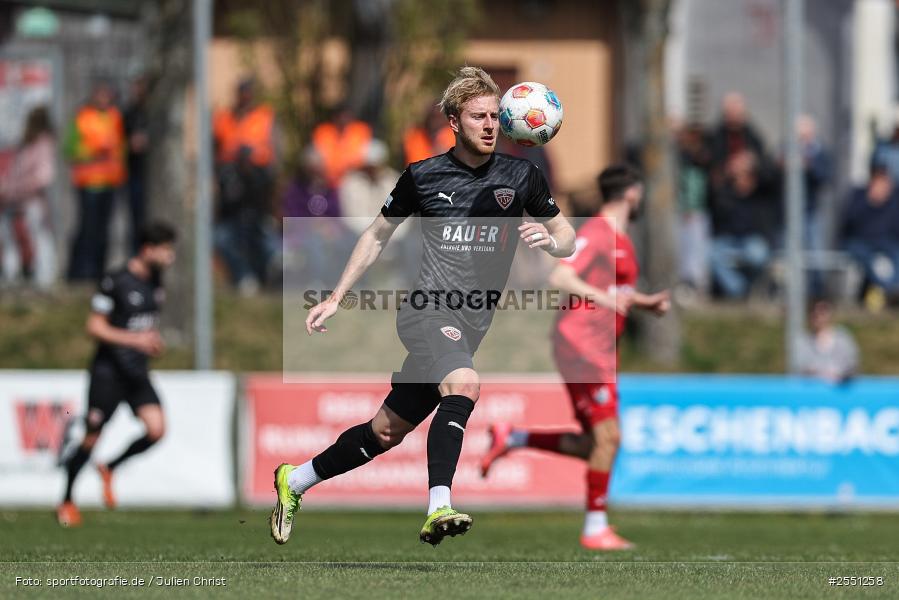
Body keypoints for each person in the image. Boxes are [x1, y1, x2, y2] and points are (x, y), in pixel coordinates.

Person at [270, 66, 576, 547]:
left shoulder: (522, 176)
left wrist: (553, 243)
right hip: (427, 310)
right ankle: (439, 506)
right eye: (479, 116)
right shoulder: (424, 175)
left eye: (496, 115)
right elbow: (376, 235)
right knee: (465, 384)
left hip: (473, 321)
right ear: (454, 122)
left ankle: (297, 478)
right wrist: (335, 297)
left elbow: (567, 235)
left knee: (386, 431)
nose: (491, 125)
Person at [480, 165, 670, 551]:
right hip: (581, 346)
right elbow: (561, 278)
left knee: (594, 444)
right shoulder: (598, 232)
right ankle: (595, 528)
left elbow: (616, 290)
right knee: (610, 437)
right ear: (632, 192)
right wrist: (608, 300)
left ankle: (513, 436)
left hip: (598, 350)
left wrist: (644, 304)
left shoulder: (621, 239)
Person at [56, 222, 177, 527]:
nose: (170, 258)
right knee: (91, 437)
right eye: (166, 251)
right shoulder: (115, 280)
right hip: (108, 373)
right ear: (147, 249)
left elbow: (143, 323)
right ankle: (67, 500)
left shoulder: (156, 280)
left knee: (157, 429)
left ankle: (110, 467)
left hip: (136, 373)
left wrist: (151, 340)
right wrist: (134, 339)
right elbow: (94, 326)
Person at [213, 78, 279, 294]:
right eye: (242, 93)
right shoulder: (224, 118)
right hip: (230, 182)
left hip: (258, 182)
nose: (245, 98)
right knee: (225, 236)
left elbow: (276, 151)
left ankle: (263, 277)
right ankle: (243, 276)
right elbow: (215, 148)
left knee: (260, 235)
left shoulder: (265, 117)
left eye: (249, 93)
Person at [65, 80, 127, 282]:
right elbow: (70, 150)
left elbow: (121, 148)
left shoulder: (115, 117)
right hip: (89, 182)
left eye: (106, 94)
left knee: (103, 232)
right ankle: (79, 272)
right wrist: (94, 152)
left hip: (110, 182)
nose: (103, 98)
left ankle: (99, 273)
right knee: (86, 229)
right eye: (100, 94)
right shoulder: (82, 117)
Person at [709, 150, 780, 299]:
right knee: (710, 254)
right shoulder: (726, 191)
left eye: (744, 172)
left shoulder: (762, 191)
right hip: (730, 240)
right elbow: (713, 196)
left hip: (754, 239)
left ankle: (749, 288)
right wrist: (727, 173)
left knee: (757, 255)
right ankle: (738, 291)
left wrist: (752, 162)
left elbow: (772, 175)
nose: (741, 177)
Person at [0, 105, 57, 289]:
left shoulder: (43, 144)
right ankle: (11, 276)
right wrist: (8, 190)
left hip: (33, 200)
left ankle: (45, 278)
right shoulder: (27, 145)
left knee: (39, 237)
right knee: (10, 239)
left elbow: (44, 177)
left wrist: (22, 188)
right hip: (13, 200)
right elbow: (15, 174)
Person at [841, 165, 899, 305]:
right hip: (859, 242)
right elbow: (849, 221)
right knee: (871, 261)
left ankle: (893, 289)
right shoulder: (859, 196)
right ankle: (887, 289)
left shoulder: (893, 201)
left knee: (896, 255)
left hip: (885, 242)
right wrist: (870, 201)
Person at [797, 298, 859, 384]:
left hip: (841, 391)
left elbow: (852, 365)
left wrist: (838, 376)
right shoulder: (804, 340)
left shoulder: (843, 338)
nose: (818, 317)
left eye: (822, 312)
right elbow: (802, 367)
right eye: (814, 313)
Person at [311, 105, 372, 188]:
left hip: (355, 179)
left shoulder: (361, 131)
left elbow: (362, 159)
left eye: (347, 117)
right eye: (341, 117)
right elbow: (320, 159)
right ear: (334, 118)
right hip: (327, 180)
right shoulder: (323, 132)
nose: (344, 120)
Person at [124, 76, 150, 254]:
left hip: (151, 176)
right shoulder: (129, 114)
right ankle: (137, 255)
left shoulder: (154, 113)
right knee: (136, 219)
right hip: (134, 173)